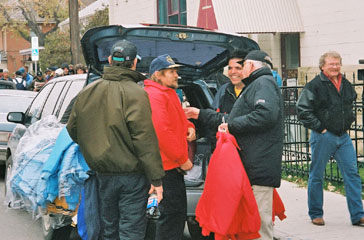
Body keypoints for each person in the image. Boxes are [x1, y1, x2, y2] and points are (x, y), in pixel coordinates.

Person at [66, 40, 165, 240]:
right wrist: (156, 179)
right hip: (132, 175)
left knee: (109, 229)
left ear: (110, 60)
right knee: (131, 230)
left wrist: (94, 149)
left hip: (102, 173)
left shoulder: (88, 91)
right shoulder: (136, 93)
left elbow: (72, 129)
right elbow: (144, 139)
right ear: (134, 63)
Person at [296, 51, 364, 226]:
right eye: (331, 64)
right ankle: (316, 214)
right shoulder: (314, 85)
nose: (335, 67)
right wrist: (320, 128)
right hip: (323, 136)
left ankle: (358, 215)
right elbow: (302, 109)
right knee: (317, 175)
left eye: (337, 63)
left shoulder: (345, 83)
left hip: (343, 136)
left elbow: (351, 102)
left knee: (352, 174)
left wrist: (349, 121)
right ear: (322, 66)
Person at [218, 50, 283, 240]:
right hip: (254, 165)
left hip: (260, 167)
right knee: (253, 222)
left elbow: (265, 114)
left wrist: (232, 125)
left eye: (243, 64)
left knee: (259, 224)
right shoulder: (259, 84)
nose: (239, 69)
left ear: (251, 66)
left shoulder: (262, 83)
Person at [144, 54, 195, 240]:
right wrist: (182, 159)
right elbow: (162, 132)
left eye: (176, 71)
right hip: (165, 168)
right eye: (171, 72)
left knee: (175, 216)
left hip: (170, 166)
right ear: (158, 74)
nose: (176, 76)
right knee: (171, 218)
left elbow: (178, 119)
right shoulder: (155, 95)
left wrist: (190, 127)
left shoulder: (168, 93)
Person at [184, 49, 248, 149]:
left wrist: (201, 114)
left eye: (238, 68)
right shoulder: (223, 91)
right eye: (230, 68)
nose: (232, 72)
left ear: (247, 69)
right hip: (225, 151)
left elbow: (247, 122)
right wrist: (216, 147)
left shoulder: (254, 91)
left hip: (247, 151)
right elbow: (213, 124)